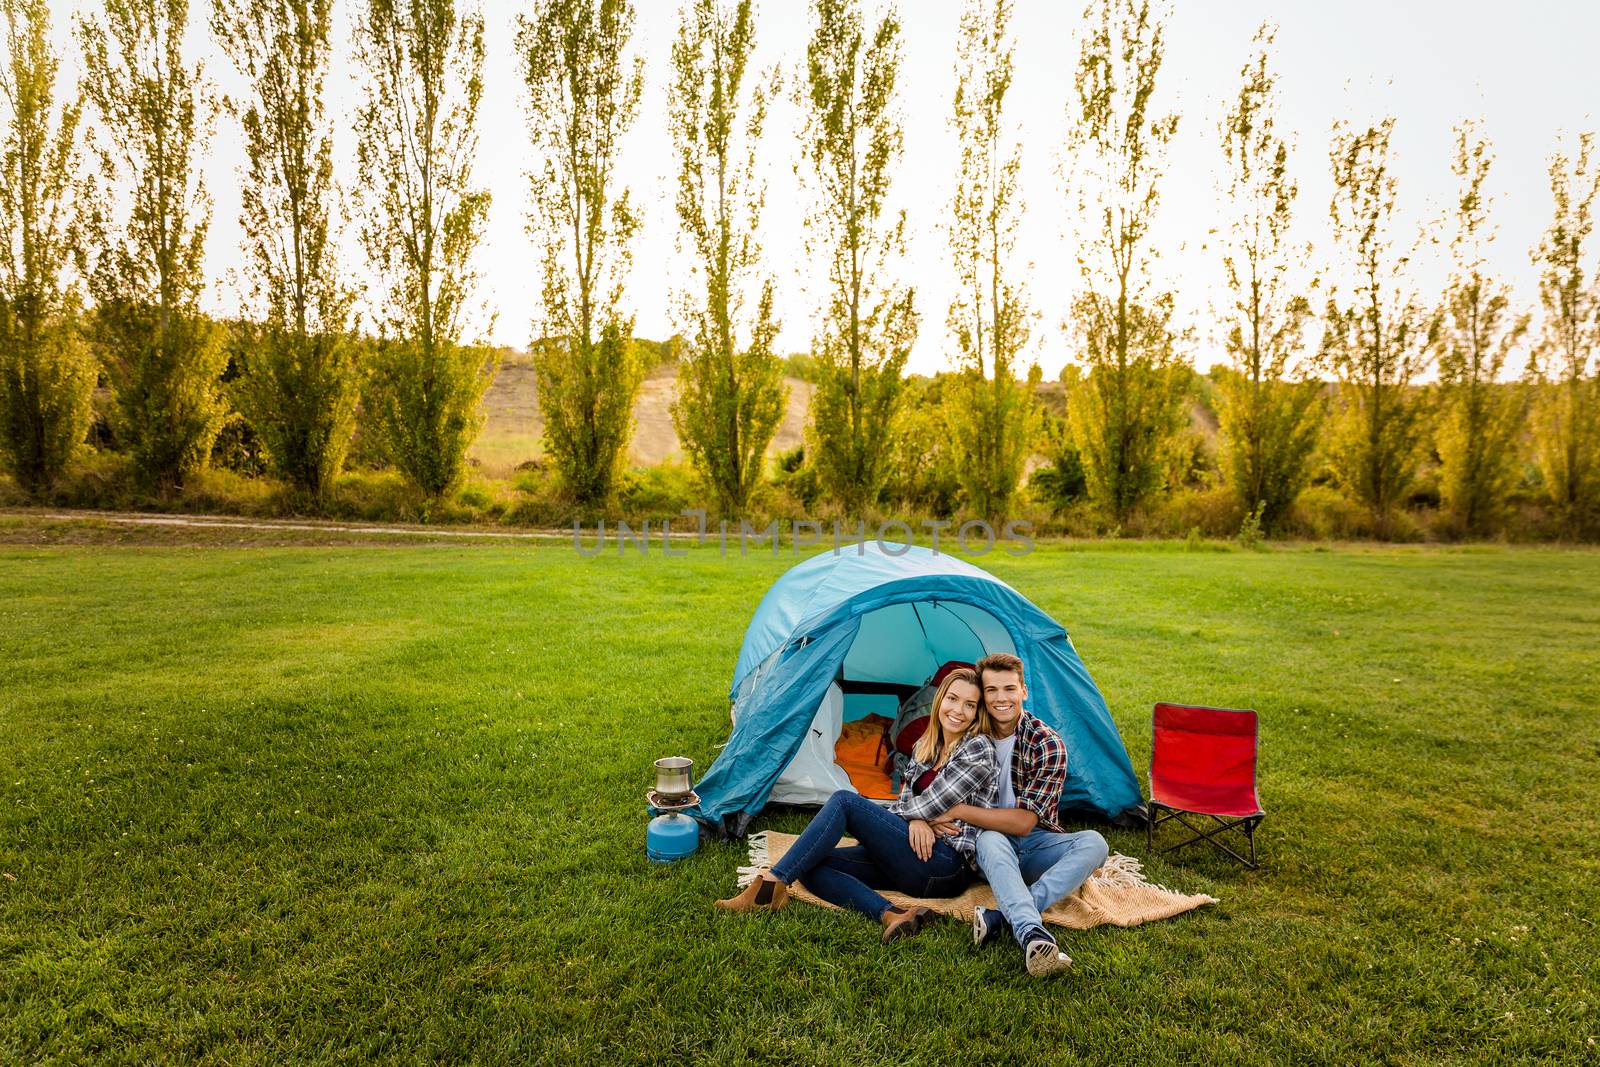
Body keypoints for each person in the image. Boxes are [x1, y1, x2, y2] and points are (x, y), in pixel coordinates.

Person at [715, 667, 999, 943]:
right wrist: (920, 819)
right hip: (912, 853)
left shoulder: (978, 747)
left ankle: (770, 885)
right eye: (952, 699)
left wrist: (924, 814)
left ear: (977, 713)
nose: (958, 710)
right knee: (811, 865)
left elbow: (932, 802)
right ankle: (893, 914)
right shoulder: (928, 744)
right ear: (939, 700)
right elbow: (908, 804)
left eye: (969, 705)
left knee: (845, 802)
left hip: (946, 864)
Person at [927, 651, 1109, 978]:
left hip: (1035, 841)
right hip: (987, 846)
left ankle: (999, 917)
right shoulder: (967, 738)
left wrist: (956, 809)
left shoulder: (1047, 743)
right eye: (991, 690)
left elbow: (1025, 822)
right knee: (992, 838)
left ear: (1024, 690)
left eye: (1009, 689)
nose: (1001, 699)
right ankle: (1031, 933)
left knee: (1095, 843)